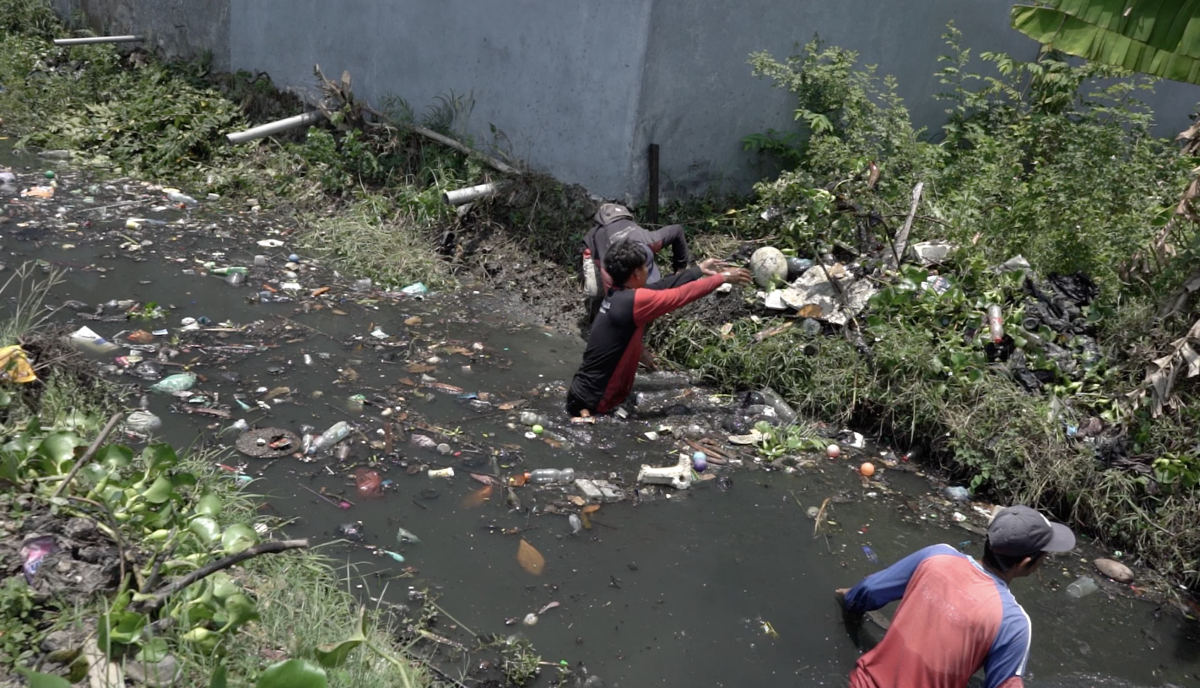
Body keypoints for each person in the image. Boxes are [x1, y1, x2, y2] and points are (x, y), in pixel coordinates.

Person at [836, 505, 1076, 688]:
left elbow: (868, 591)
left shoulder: (936, 556)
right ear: (1026, 563)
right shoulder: (1013, 622)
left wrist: (850, 602)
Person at [567, 240, 750, 417]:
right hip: (593, 403)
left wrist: (699, 270)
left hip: (583, 393)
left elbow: (662, 286)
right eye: (646, 266)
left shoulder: (618, 294)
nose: (648, 270)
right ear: (637, 273)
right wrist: (722, 278)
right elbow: (680, 295)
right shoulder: (634, 301)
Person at [581, 203, 692, 326]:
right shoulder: (609, 267)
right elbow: (614, 302)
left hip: (624, 231)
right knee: (595, 292)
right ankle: (593, 323)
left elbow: (677, 230)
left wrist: (680, 270)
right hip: (594, 251)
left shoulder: (651, 241)